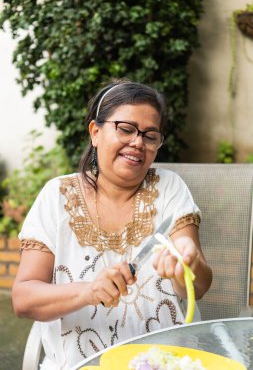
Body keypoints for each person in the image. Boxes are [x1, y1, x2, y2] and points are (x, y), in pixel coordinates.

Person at [12, 79, 212, 369]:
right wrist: (88, 291)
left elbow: (200, 286)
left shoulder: (170, 188)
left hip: (165, 362)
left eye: (150, 135)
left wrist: (187, 264)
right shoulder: (57, 196)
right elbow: (23, 298)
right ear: (95, 132)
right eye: (125, 129)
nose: (137, 142)